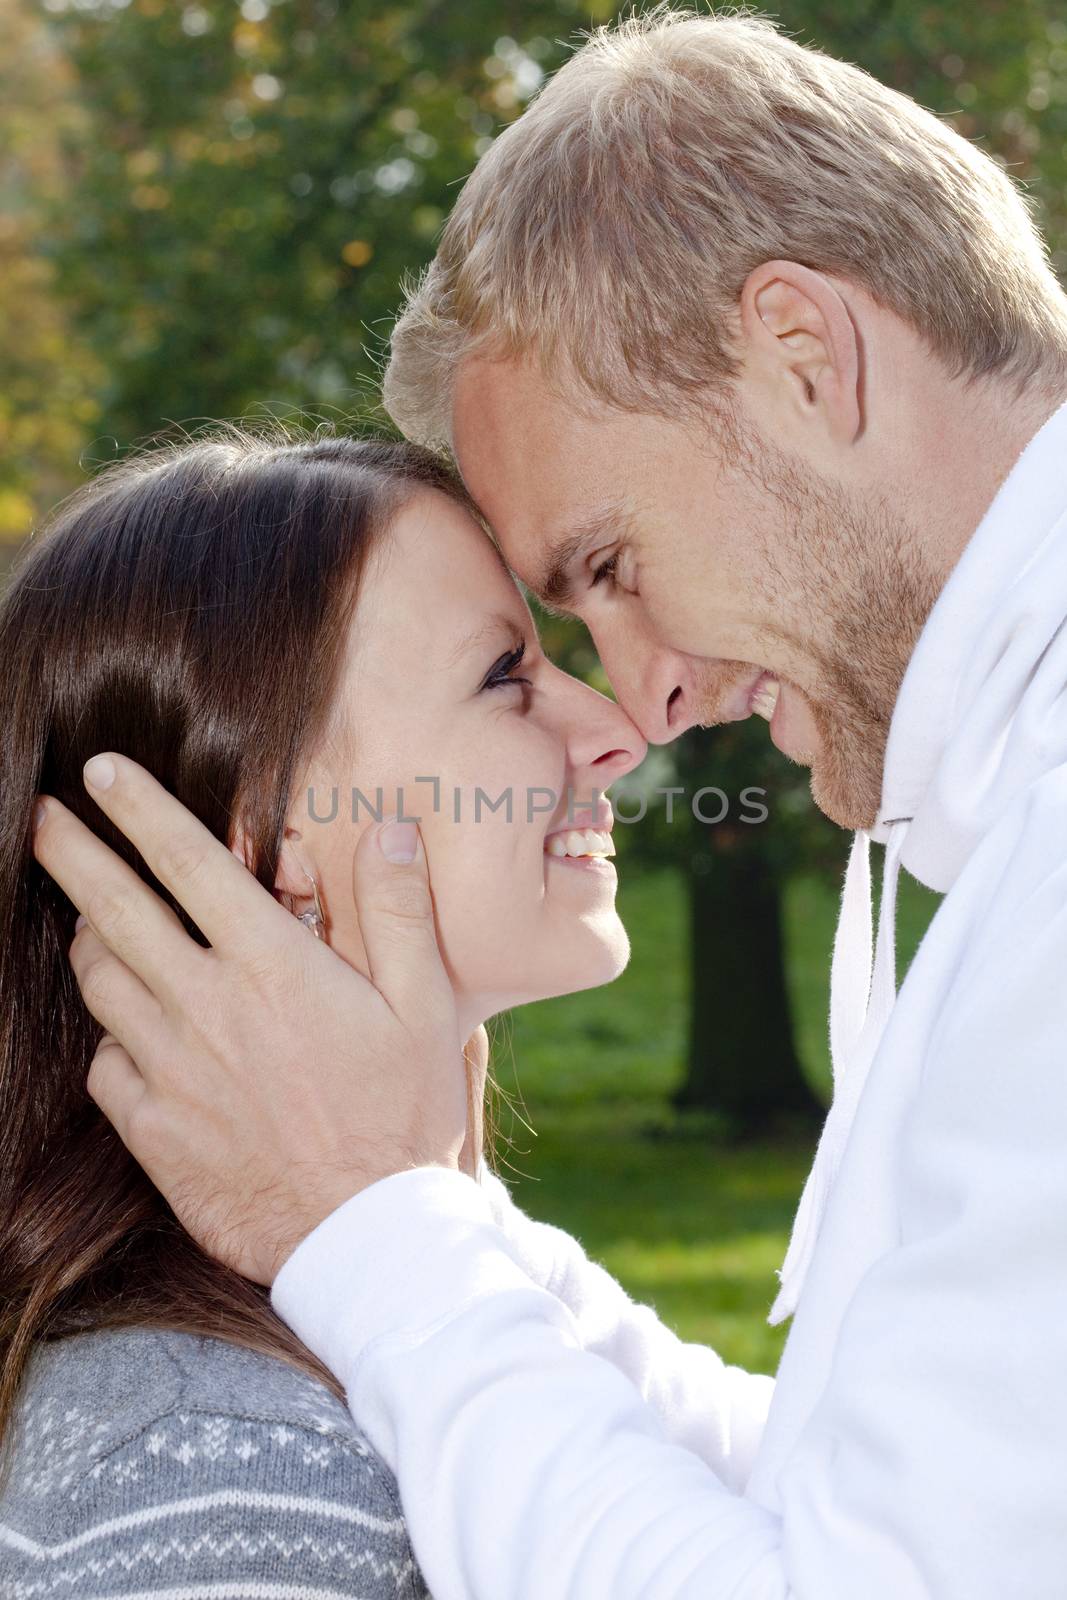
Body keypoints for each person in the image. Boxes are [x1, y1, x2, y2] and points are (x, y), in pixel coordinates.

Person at [31, 10, 1067, 1600]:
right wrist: (396, 1212)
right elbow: (875, 1502)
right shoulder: (181, 1464)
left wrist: (374, 1228)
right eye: (518, 660)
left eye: (607, 570)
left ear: (801, 359)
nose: (638, 708)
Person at [1, 424, 701, 1595]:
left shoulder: (397, 1341)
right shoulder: (212, 1460)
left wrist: (412, 1200)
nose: (613, 730)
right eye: (502, 678)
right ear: (260, 858)